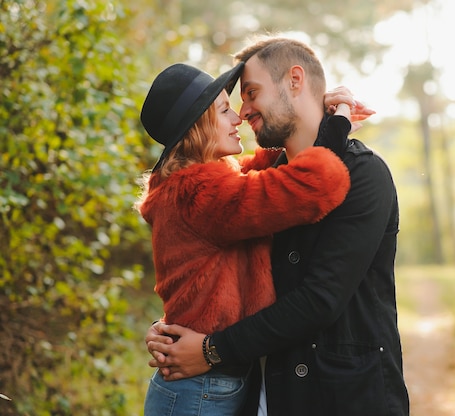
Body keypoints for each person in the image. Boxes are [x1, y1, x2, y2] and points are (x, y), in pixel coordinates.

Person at [146, 36, 410, 416]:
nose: (242, 111)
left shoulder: (365, 175)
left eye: (251, 93)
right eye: (228, 108)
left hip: (342, 397)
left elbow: (320, 300)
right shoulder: (226, 186)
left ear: (295, 81)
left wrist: (207, 347)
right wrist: (176, 329)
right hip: (255, 393)